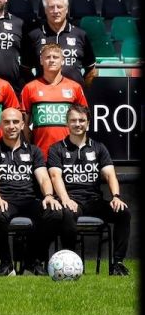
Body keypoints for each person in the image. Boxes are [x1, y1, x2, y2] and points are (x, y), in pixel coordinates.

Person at [48, 105, 130, 276]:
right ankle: (70, 263)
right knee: (67, 213)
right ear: (67, 124)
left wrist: (116, 196)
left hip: (94, 201)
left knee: (123, 212)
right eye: (73, 120)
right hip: (71, 200)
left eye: (81, 120)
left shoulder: (98, 147)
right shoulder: (57, 149)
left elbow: (110, 174)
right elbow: (55, 176)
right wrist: (65, 199)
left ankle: (117, 263)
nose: (77, 124)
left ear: (88, 123)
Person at [0, 107, 62, 276]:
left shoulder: (34, 151)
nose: (11, 126)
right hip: (5, 200)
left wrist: (49, 195)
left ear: (22, 125)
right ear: (0, 125)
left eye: (15, 122)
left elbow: (44, 178)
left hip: (29, 199)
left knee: (54, 213)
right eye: (7, 122)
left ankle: (33, 260)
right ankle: (6, 263)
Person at [20, 43, 88, 155]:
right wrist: (31, 148)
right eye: (47, 57)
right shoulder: (29, 88)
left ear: (63, 61)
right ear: (41, 61)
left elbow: (84, 120)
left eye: (55, 57)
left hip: (70, 153)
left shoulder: (75, 87)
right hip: (41, 154)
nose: (51, 60)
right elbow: (24, 124)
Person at [22, 0, 96, 87]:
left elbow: (91, 69)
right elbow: (25, 69)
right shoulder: (34, 36)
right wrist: (36, 88)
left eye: (59, 7)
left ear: (67, 9)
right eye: (51, 7)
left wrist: (81, 88)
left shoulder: (81, 35)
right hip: (43, 94)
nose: (55, 11)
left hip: (73, 94)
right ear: (45, 10)